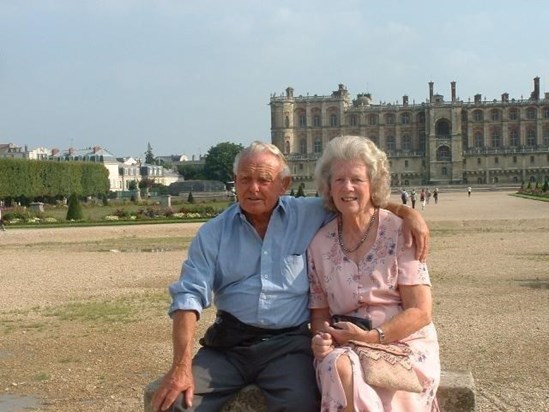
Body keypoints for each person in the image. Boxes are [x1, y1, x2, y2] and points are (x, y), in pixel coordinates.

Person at [151, 141, 430, 412]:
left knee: (299, 404)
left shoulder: (307, 213)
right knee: (176, 403)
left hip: (287, 347)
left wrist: (406, 212)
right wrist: (180, 367)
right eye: (245, 179)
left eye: (264, 180)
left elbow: (356, 199)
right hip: (229, 346)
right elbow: (188, 297)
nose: (253, 188)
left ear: (284, 184)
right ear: (234, 180)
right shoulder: (213, 233)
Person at [308, 136, 440, 411]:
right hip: (346, 346)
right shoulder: (319, 244)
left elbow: (420, 312)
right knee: (336, 364)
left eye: (357, 179)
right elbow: (320, 314)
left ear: (373, 184)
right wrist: (323, 339)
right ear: (328, 187)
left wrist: (372, 338)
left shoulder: (400, 232)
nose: (348, 188)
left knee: (347, 370)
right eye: (339, 180)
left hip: (403, 344)